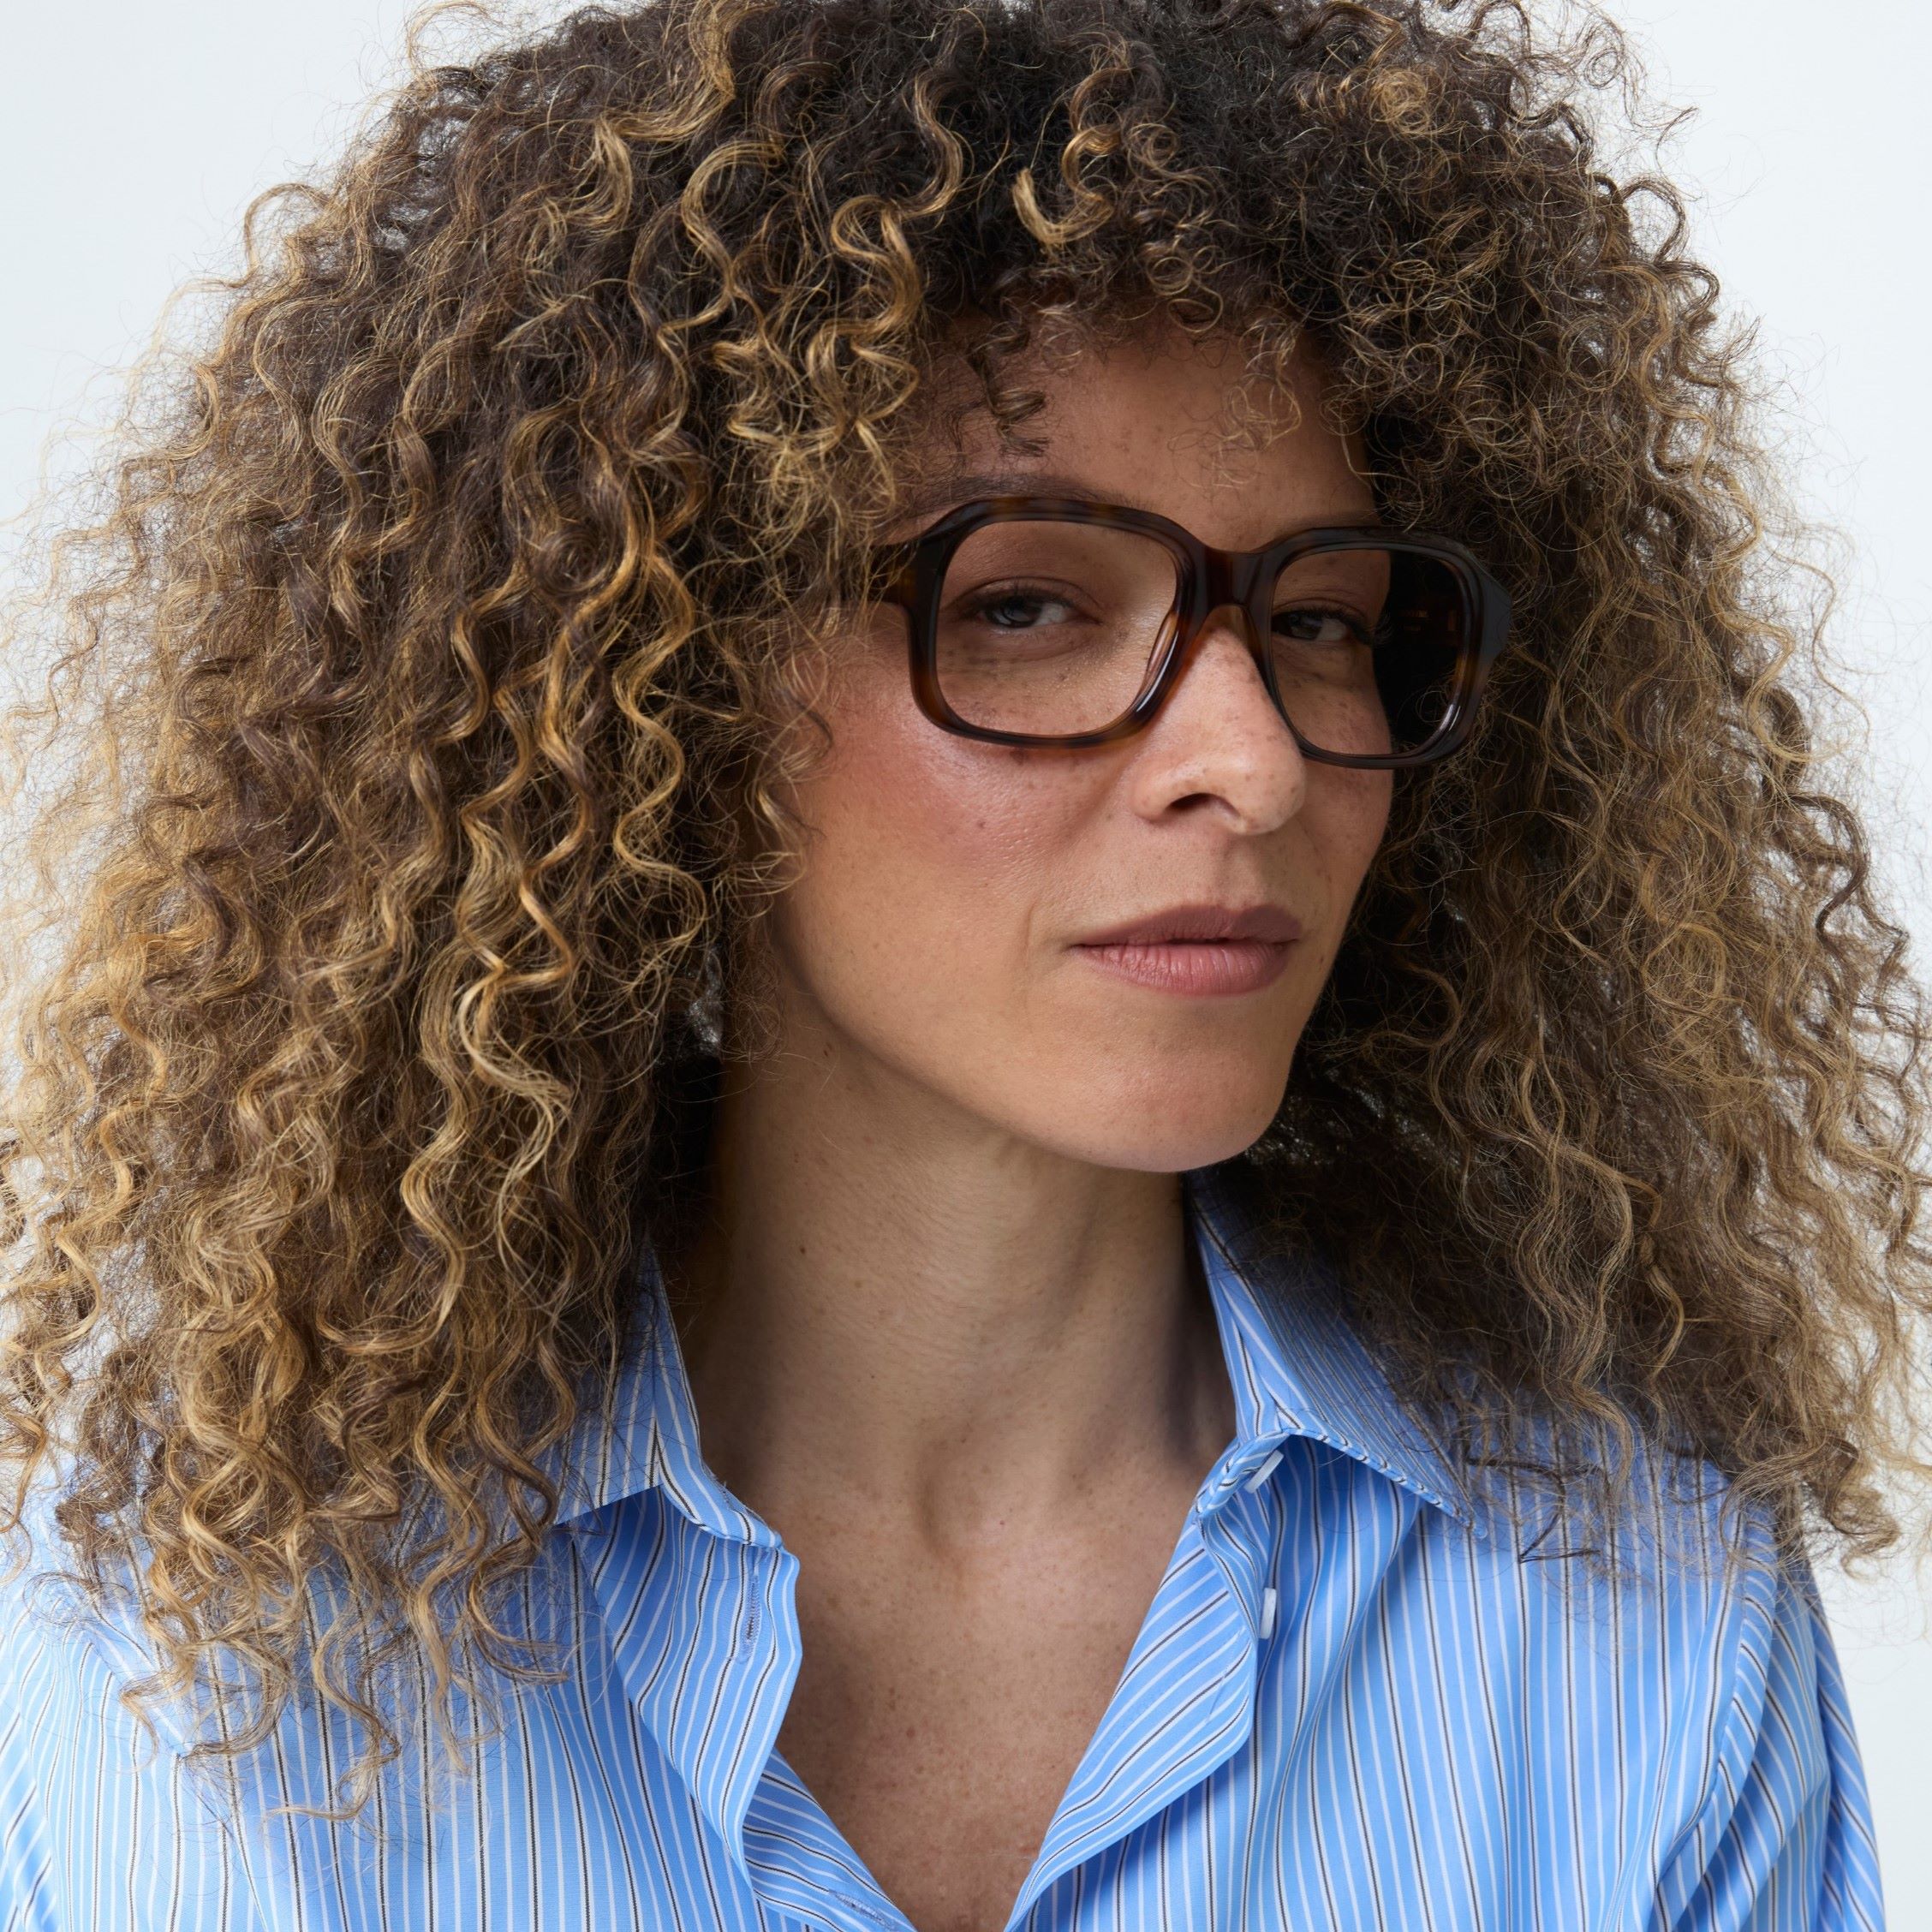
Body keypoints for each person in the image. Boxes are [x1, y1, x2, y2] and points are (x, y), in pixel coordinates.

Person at [0, 0, 1919, 1926]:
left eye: (1326, 620)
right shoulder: (214, 1618)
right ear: (660, 685)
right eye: (1023, 606)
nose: (1254, 764)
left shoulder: (1638, 1602)